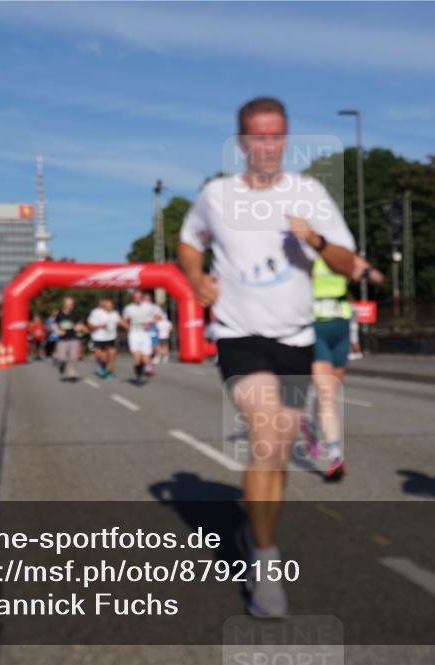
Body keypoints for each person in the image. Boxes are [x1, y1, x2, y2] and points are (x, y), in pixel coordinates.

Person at [178, 96, 357, 617]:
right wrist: (195, 278)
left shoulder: (310, 193)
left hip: (296, 338)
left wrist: (316, 238)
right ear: (241, 144)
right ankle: (265, 561)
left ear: (286, 138)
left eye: (276, 136)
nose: (268, 147)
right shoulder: (217, 194)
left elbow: (346, 263)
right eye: (257, 137)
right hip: (239, 334)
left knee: (277, 453)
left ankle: (258, 541)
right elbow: (190, 242)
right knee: (267, 435)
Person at [300, 255, 384, 480]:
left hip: (340, 329)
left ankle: (313, 427)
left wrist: (367, 273)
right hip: (316, 327)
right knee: (327, 394)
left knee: (329, 394)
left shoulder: (340, 253)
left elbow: (373, 273)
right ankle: (336, 456)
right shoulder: (304, 255)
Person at [122, 289, 159, 384]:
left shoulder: (149, 306)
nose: (137, 299)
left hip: (145, 334)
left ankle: (145, 369)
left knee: (146, 358)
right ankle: (139, 376)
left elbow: (158, 317)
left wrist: (150, 322)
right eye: (135, 298)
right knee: (136, 358)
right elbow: (124, 321)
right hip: (134, 334)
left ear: (142, 298)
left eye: (139, 297)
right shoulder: (128, 308)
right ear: (133, 298)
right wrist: (129, 328)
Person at [87, 297, 124, 379]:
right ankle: (102, 367)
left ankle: (110, 372)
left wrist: (129, 327)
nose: (109, 307)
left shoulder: (115, 313)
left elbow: (121, 322)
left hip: (111, 338)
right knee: (101, 357)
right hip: (98, 338)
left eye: (111, 306)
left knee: (112, 355)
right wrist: (99, 326)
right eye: (107, 305)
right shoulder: (96, 312)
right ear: (104, 306)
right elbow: (90, 325)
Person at [51, 297, 84, 380]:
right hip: (62, 339)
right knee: (62, 358)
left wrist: (79, 327)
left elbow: (80, 323)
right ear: (64, 305)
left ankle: (71, 372)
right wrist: (58, 331)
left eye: (71, 304)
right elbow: (54, 325)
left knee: (73, 357)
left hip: (73, 338)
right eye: (68, 304)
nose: (70, 306)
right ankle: (62, 365)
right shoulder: (59, 314)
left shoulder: (75, 314)